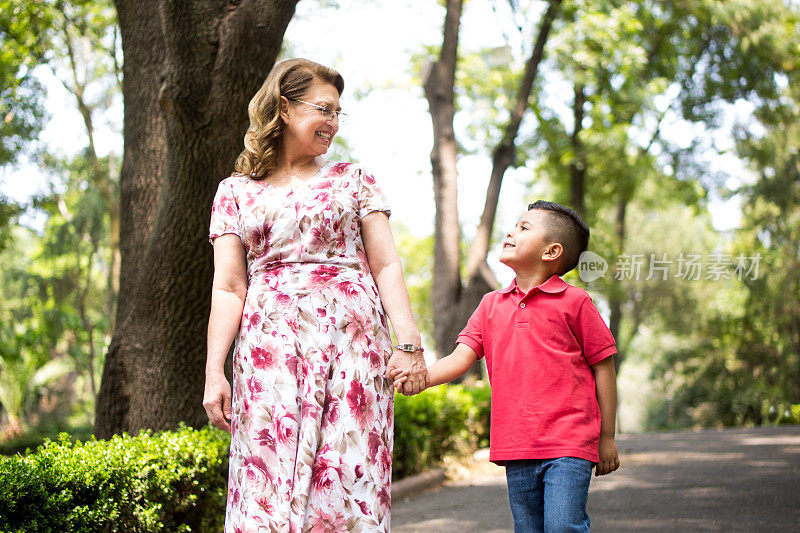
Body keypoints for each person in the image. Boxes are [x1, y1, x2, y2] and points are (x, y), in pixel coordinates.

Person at [203, 58, 427, 533]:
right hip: (269, 353)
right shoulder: (234, 192)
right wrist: (213, 371)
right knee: (267, 480)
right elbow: (228, 286)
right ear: (284, 107)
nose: (333, 122)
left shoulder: (355, 179)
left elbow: (386, 263)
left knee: (345, 477)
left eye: (339, 113)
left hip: (353, 348)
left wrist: (408, 344)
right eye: (324, 109)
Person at [394, 200, 620, 532]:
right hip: (517, 444)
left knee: (562, 527)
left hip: (570, 442)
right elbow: (460, 359)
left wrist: (607, 436)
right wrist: (422, 378)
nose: (511, 231)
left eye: (524, 227)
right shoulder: (490, 305)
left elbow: (604, 365)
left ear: (551, 251)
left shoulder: (576, 302)